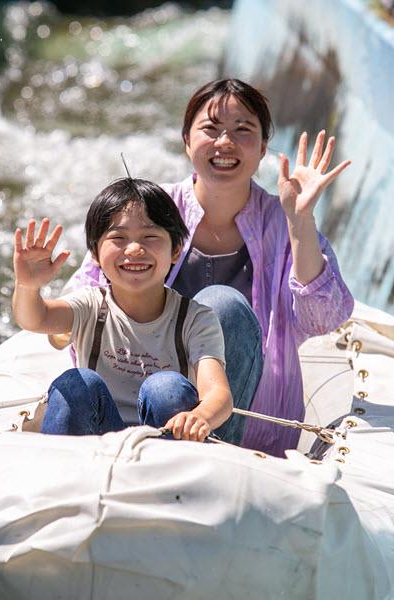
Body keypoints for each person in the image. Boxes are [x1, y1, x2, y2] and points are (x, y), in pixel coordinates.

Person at [66, 79, 355, 456]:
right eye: (211, 129)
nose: (224, 142)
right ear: (186, 140)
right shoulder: (147, 211)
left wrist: (300, 221)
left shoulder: (284, 219)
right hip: (139, 399)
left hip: (242, 428)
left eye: (242, 131)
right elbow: (83, 300)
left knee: (222, 304)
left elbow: (324, 319)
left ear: (264, 147)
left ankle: (210, 449)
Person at [12, 178, 233, 442]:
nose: (135, 249)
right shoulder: (91, 305)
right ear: (94, 254)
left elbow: (217, 393)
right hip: (96, 442)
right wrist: (27, 286)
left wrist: (201, 417)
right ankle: (63, 468)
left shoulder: (196, 319)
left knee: (166, 388)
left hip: (165, 448)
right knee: (76, 383)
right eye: (118, 237)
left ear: (176, 250)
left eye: (150, 236)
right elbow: (36, 319)